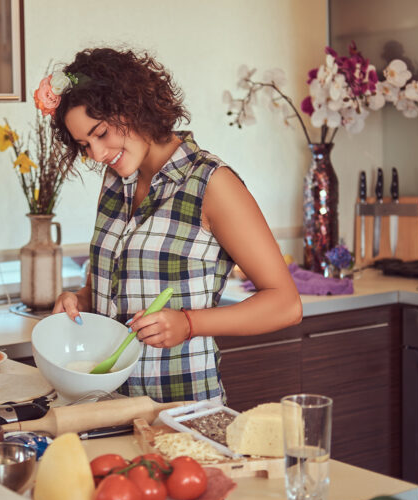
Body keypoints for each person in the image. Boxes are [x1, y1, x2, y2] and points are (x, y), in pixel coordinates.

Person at [40, 48, 302, 404]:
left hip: (182, 409)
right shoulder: (117, 180)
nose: (97, 154)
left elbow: (286, 304)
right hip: (108, 406)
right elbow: (112, 282)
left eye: (100, 133)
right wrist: (81, 300)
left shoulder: (211, 183)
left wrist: (190, 324)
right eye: (85, 145)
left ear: (131, 104)